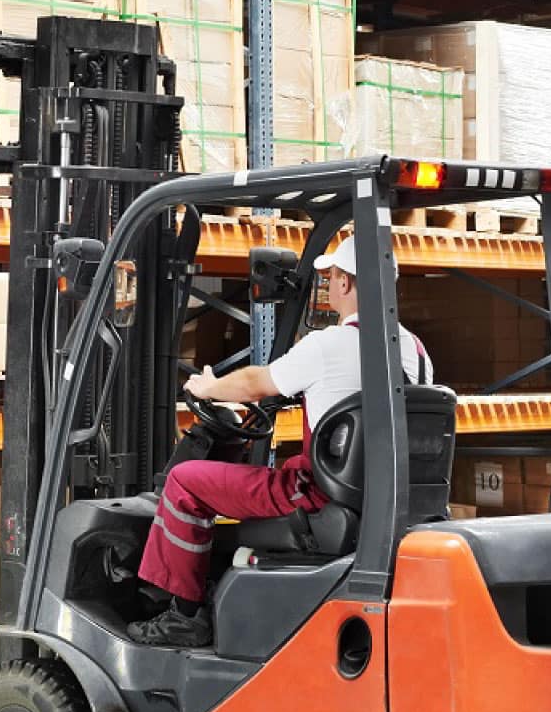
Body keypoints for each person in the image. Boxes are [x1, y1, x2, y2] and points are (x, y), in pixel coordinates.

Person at [127, 236, 432, 648]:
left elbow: (256, 384)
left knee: (184, 481)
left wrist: (209, 386)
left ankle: (183, 616)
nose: (329, 286)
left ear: (345, 283)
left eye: (332, 278)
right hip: (384, 502)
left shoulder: (328, 345)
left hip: (314, 497)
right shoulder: (417, 352)